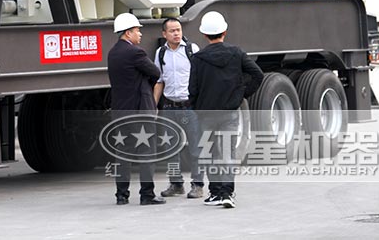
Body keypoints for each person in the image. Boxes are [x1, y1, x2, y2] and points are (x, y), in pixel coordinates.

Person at [189, 11, 263, 209]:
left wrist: (196, 107)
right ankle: (227, 193)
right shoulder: (236, 53)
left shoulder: (198, 58)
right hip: (229, 112)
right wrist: (242, 94)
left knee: (210, 153)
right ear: (225, 31)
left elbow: (192, 88)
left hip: (206, 114)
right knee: (228, 153)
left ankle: (215, 193)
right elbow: (257, 74)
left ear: (204, 34)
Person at [107, 12, 166, 206]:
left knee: (122, 153)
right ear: (127, 33)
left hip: (120, 111)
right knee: (146, 152)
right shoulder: (136, 53)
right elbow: (156, 73)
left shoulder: (113, 53)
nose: (140, 35)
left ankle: (121, 195)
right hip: (140, 111)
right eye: (137, 31)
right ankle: (147, 195)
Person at [152, 17, 204, 199]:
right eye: (172, 31)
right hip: (169, 106)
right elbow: (159, 81)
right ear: (164, 34)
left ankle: (197, 184)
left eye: (179, 30)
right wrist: (153, 105)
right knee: (170, 147)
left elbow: (200, 78)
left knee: (195, 148)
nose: (176, 33)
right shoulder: (161, 53)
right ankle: (176, 183)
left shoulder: (191, 50)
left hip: (189, 107)